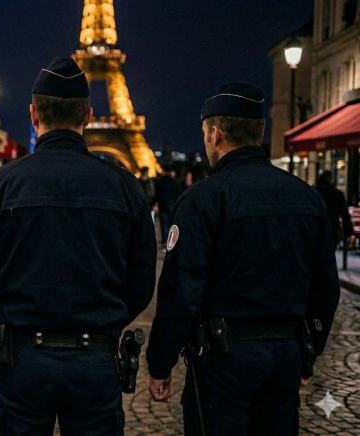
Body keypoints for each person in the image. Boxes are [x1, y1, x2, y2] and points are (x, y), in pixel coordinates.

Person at [0, 58, 157, 435]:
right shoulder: (125, 187)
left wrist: (6, 317)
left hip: (21, 358)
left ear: (33, 114)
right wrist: (104, 319)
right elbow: (142, 283)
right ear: (88, 114)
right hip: (95, 357)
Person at [145, 83, 340, 434]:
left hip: (223, 359)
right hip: (283, 354)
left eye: (205, 133)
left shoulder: (202, 200)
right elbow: (326, 286)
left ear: (215, 133)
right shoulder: (307, 198)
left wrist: (160, 362)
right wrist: (308, 351)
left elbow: (181, 291)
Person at [315, 171, 355, 249]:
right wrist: (349, 230)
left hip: (316, 226)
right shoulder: (336, 194)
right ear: (331, 180)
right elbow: (344, 213)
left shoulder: (314, 192)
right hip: (331, 227)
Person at [154, 167, 183, 246]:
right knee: (172, 224)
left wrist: (157, 203)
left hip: (163, 205)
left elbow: (157, 194)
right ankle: (171, 241)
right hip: (172, 205)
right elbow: (179, 194)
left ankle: (164, 241)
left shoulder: (160, 181)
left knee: (164, 223)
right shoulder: (175, 181)